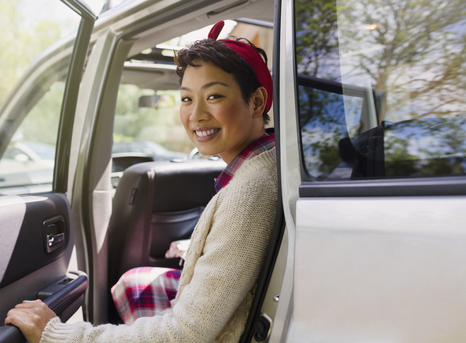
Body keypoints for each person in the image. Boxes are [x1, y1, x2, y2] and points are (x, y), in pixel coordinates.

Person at [4, 20, 278, 343]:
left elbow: (185, 333)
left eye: (214, 96)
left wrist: (59, 334)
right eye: (187, 99)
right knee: (134, 281)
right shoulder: (266, 165)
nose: (195, 115)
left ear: (258, 102)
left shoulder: (247, 192)